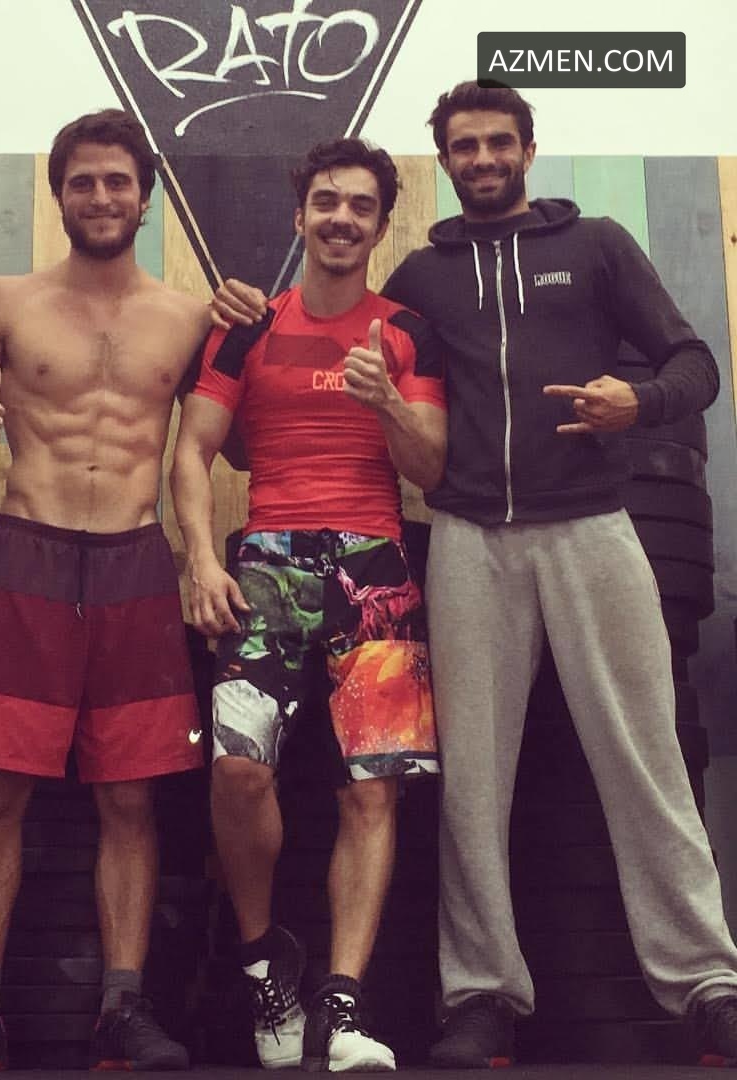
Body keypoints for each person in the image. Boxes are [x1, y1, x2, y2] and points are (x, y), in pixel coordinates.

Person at [209, 81, 737, 1070]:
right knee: (472, 785)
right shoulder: (421, 279)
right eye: (464, 146)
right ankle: (483, 995)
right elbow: (322, 329)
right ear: (445, 162)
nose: (483, 158)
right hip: (465, 538)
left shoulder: (599, 246)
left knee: (647, 758)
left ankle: (709, 984)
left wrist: (644, 400)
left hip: (592, 524)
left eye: (499, 142)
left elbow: (696, 362)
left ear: (528, 150)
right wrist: (233, 306)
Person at [0, 108, 209, 1074]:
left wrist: (257, 330)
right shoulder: (5, 302)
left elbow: (221, 442)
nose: (102, 197)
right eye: (83, 182)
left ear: (145, 197)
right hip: (30, 556)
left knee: (131, 798)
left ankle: (123, 1006)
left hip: (135, 562)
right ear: (59, 195)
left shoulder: (190, 318)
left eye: (119, 181)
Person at [171, 138, 446, 1072]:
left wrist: (389, 403)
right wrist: (200, 558)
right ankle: (265, 968)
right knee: (237, 774)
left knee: (371, 789)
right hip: (268, 565)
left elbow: (431, 468)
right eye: (326, 202)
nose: (341, 218)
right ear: (301, 217)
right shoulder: (249, 328)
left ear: (381, 225)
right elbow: (191, 451)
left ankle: (344, 1005)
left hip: (375, 566)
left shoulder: (406, 331)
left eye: (360, 206)